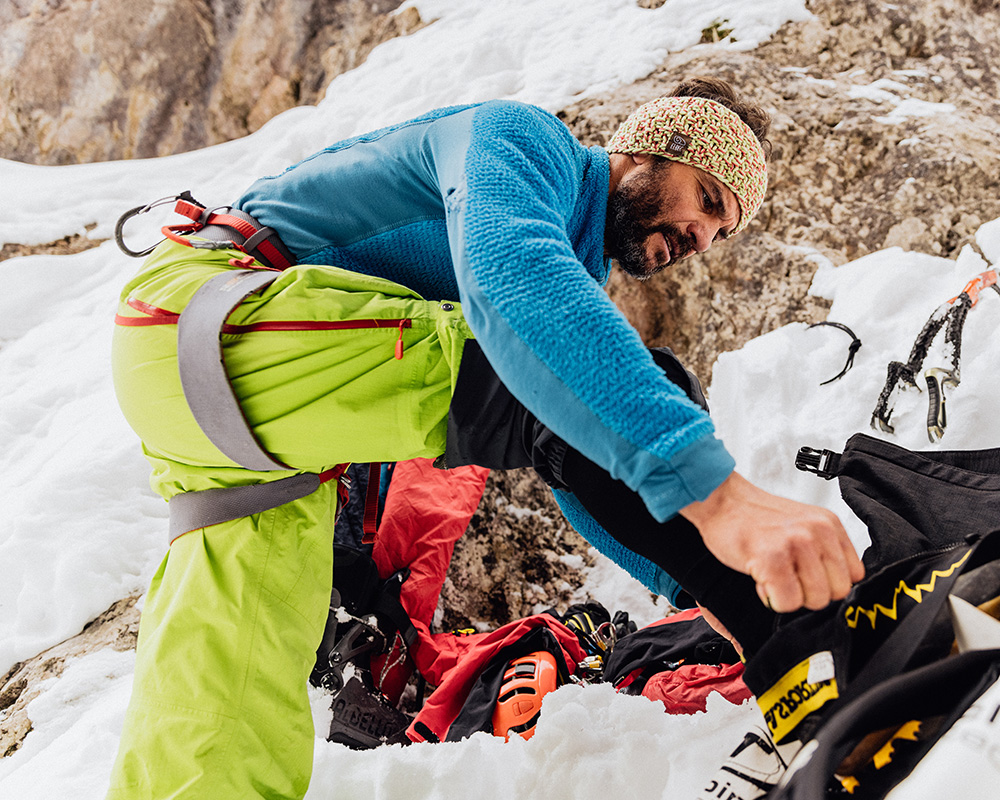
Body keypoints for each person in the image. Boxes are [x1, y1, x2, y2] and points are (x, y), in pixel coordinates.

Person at [107, 77, 864, 798]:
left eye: (720, 230)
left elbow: (572, 464)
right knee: (608, 376)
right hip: (218, 312)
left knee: (224, 717)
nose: (701, 235)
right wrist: (719, 501)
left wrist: (692, 592)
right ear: (649, 148)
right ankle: (791, 643)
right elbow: (516, 285)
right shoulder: (526, 141)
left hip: (217, 408)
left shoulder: (575, 261)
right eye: (705, 200)